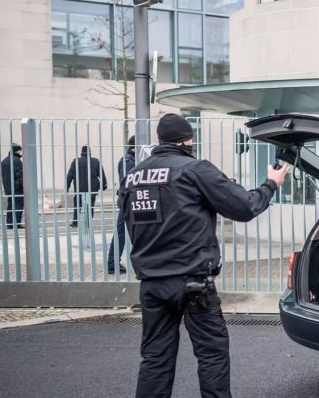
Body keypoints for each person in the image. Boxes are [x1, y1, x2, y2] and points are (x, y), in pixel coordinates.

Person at [121, 113, 289, 398]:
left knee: (155, 359)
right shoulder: (194, 169)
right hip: (192, 281)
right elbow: (245, 207)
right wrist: (270, 184)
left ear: (161, 140)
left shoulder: (132, 177)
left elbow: (130, 223)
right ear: (188, 140)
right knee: (212, 354)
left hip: (151, 284)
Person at [107, 135, 135, 275]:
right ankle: (112, 264)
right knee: (122, 233)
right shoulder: (129, 161)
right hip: (128, 202)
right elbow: (128, 182)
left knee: (125, 233)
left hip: (128, 201)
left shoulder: (130, 160)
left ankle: (113, 264)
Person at [66, 145, 108, 227]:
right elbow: (101, 174)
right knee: (90, 205)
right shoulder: (95, 161)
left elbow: (70, 175)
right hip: (92, 188)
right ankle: (88, 223)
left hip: (79, 188)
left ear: (81, 152)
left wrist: (67, 186)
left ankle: (75, 221)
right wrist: (103, 185)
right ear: (90, 152)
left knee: (78, 204)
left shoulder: (76, 162)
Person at [0, 143, 24, 229]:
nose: (21, 152)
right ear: (17, 151)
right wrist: (22, 186)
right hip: (17, 188)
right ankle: (16, 223)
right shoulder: (17, 161)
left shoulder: (4, 161)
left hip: (8, 188)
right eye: (20, 150)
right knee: (18, 205)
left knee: (11, 205)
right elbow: (20, 175)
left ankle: (10, 223)